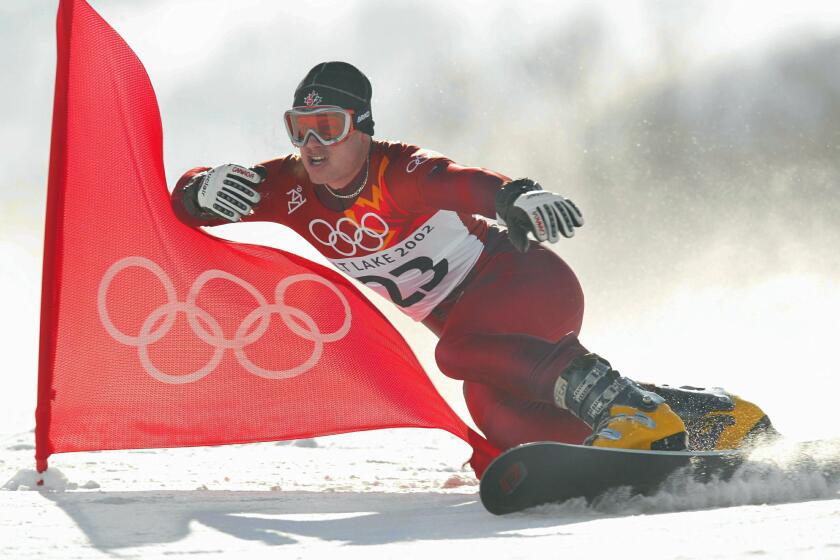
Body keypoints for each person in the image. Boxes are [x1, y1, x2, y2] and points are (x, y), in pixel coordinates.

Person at [171, 61, 776, 453]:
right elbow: (183, 206)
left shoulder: (397, 168)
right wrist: (201, 187)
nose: (310, 144)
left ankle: (634, 412)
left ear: (362, 127)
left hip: (523, 287)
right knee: (503, 424)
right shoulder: (288, 186)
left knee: (455, 352)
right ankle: (708, 421)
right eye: (297, 127)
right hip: (483, 329)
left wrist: (517, 194)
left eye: (327, 126)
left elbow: (461, 180)